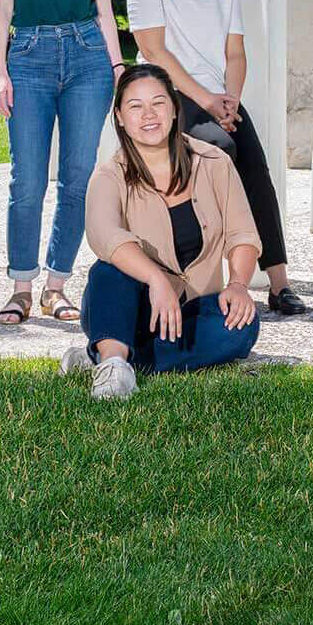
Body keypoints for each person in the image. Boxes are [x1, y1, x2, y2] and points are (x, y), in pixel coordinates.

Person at [127, 0, 304, 316]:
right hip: (169, 94)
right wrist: (207, 100)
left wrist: (230, 101)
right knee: (219, 151)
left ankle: (278, 282)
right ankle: (212, 280)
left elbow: (235, 51)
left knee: (254, 163)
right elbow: (153, 51)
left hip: (215, 97)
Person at [0, 0, 124, 326]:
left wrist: (117, 69)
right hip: (28, 58)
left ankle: (56, 287)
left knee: (77, 180)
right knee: (26, 180)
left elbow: (105, 11)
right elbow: (2, 9)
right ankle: (21, 287)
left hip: (88, 57)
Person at [64, 63, 261, 400]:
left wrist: (239, 285)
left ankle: (107, 357)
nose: (148, 115)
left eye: (158, 103)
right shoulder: (109, 176)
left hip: (191, 309)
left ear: (174, 109)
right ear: (120, 117)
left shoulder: (213, 162)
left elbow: (243, 233)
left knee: (243, 327)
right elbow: (105, 236)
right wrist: (156, 280)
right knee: (110, 271)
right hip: (126, 309)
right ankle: (113, 361)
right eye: (135, 107)